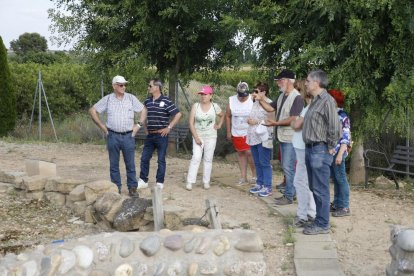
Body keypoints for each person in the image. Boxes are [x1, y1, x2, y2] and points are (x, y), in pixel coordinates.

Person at [89, 75, 144, 197]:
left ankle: (132, 188)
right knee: (114, 164)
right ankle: (116, 189)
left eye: (125, 85)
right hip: (112, 135)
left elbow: (143, 109)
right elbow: (92, 110)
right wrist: (103, 127)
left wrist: (138, 125)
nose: (123, 87)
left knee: (130, 164)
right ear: (114, 86)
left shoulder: (131, 98)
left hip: (128, 136)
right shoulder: (108, 99)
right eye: (121, 85)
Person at [255, 69, 304, 205]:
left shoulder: (297, 98)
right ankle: (291, 193)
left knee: (288, 167)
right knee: (286, 166)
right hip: (283, 137)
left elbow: (293, 118)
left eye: (280, 80)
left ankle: (289, 196)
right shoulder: (282, 95)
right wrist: (260, 100)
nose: (277, 83)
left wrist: (276, 123)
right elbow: (270, 108)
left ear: (287, 81)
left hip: (290, 138)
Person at [302, 70, 341, 235]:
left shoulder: (327, 101)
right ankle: (319, 219)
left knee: (320, 188)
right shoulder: (315, 101)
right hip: (310, 148)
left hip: (320, 149)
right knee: (314, 186)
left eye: (308, 80)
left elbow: (335, 126)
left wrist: (331, 145)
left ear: (317, 83)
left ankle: (323, 224)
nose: (306, 83)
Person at [138, 78, 182, 190]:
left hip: (161, 136)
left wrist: (169, 127)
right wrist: (146, 129)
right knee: (144, 158)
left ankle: (159, 182)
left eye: (150, 86)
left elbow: (178, 114)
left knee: (161, 159)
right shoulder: (147, 101)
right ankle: (143, 180)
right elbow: (144, 117)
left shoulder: (166, 101)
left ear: (157, 87)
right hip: (150, 136)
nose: (148, 88)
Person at [186, 85, 224, 190]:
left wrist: (219, 125)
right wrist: (196, 137)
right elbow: (191, 122)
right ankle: (190, 181)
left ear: (211, 95)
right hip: (198, 135)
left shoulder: (215, 106)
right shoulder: (196, 106)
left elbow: (222, 115)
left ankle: (206, 181)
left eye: (205, 94)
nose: (203, 96)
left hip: (211, 136)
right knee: (196, 157)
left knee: (208, 159)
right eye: (201, 94)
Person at [290, 79, 316, 227]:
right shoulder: (307, 108)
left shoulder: (309, 108)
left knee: (301, 182)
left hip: (304, 149)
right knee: (304, 182)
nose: (298, 94)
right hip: (301, 148)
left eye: (299, 90)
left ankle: (304, 215)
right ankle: (309, 212)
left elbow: (296, 125)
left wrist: (295, 122)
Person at [247, 82, 275, 197]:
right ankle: (260, 183)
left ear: (264, 92)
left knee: (264, 162)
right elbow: (252, 116)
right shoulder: (254, 103)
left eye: (257, 91)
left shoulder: (270, 103)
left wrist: (257, 122)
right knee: (257, 162)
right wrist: (249, 120)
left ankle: (267, 186)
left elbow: (271, 121)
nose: (254, 93)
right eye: (254, 91)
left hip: (264, 137)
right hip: (253, 136)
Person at [226, 81, 256, 185]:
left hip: (249, 131)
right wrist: (228, 131)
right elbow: (228, 116)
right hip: (236, 131)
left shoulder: (253, 98)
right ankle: (243, 177)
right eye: (241, 95)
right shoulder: (231, 100)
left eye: (245, 95)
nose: (243, 97)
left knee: (250, 153)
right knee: (241, 153)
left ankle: (255, 175)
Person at [328, 89, 352, 217]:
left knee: (341, 179)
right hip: (331, 152)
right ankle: (337, 203)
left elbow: (345, 137)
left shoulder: (342, 116)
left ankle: (344, 206)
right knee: (336, 179)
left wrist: (340, 154)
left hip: (338, 153)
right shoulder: (331, 114)